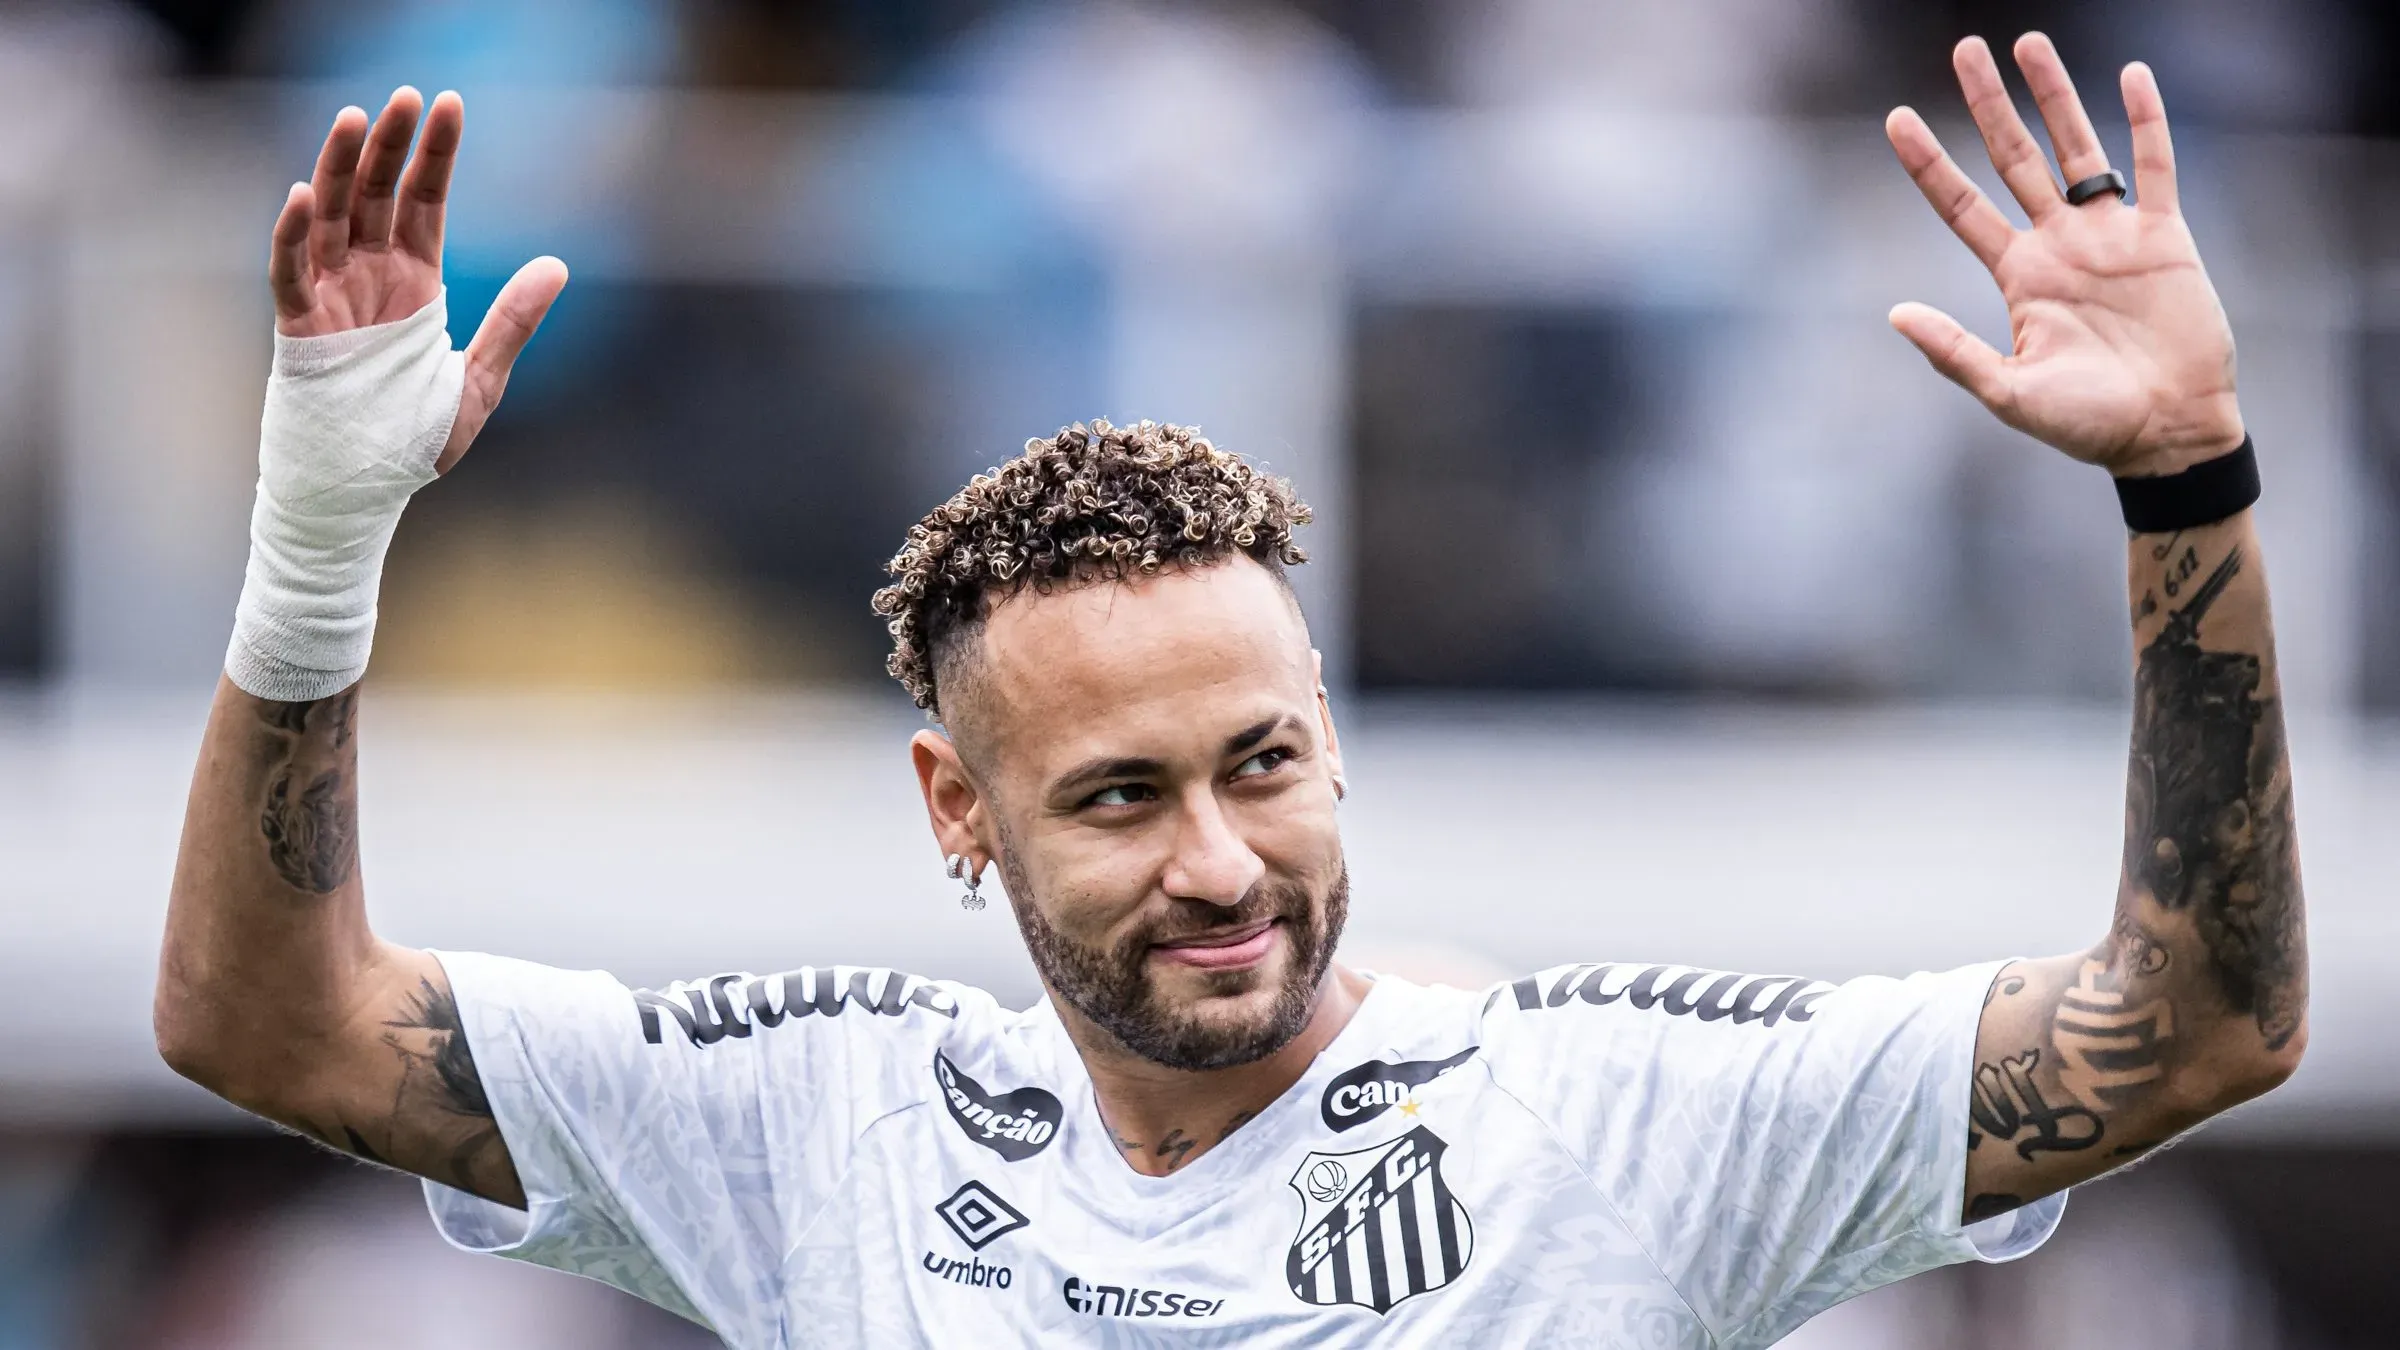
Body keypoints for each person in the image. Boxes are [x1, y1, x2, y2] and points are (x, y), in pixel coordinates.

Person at [155, 32, 2307, 1348]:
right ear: (953, 812)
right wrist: (319, 545)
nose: (1220, 864)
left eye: (1263, 765)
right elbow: (266, 1018)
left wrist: (2185, 489)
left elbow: (2199, 1018)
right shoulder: (821, 1127)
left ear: (1334, 742)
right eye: (1113, 798)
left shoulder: (1620, 1118)